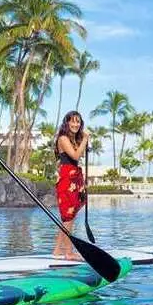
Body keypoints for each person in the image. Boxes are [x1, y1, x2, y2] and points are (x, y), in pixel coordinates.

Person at [53, 111, 89, 260]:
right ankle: (68, 253)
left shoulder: (73, 139)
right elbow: (75, 156)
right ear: (67, 123)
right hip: (67, 180)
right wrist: (85, 140)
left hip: (75, 178)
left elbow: (76, 158)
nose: (75, 124)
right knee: (68, 218)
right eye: (72, 121)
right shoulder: (63, 138)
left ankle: (57, 250)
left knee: (69, 217)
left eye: (78, 122)